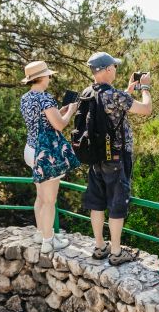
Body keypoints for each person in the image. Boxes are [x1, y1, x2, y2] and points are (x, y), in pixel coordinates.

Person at [81, 52, 152, 266]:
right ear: (107, 69)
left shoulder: (86, 92)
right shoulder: (114, 96)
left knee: (97, 203)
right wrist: (145, 88)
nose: (116, 69)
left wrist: (128, 91)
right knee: (116, 204)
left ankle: (100, 246)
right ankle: (116, 252)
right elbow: (146, 109)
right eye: (114, 66)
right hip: (116, 158)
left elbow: (109, 106)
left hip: (95, 158)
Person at [20, 60, 76, 254]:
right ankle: (48, 241)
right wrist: (70, 112)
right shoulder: (46, 98)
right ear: (42, 77)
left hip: (31, 149)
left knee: (41, 197)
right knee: (50, 200)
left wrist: (59, 113)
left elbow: (43, 121)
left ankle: (40, 232)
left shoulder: (25, 98)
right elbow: (59, 125)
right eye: (48, 75)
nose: (50, 78)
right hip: (46, 153)